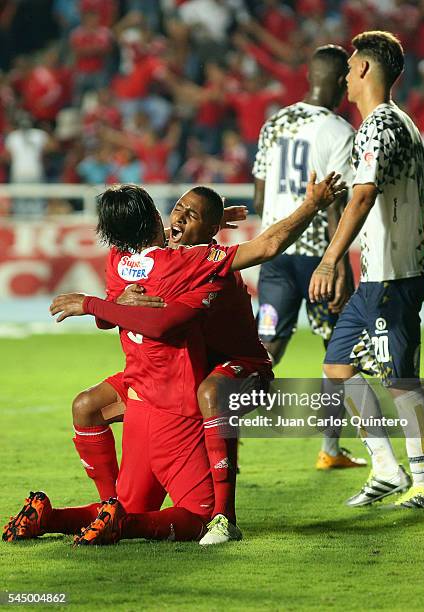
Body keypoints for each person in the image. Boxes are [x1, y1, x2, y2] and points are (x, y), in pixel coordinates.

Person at [4, 173, 346, 546]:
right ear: (155, 218)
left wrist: (103, 305)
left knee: (208, 393)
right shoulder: (191, 261)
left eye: (190, 214)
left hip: (235, 366)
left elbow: (111, 318)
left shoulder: (124, 257)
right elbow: (262, 248)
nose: (179, 217)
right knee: (105, 428)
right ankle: (97, 512)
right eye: (178, 209)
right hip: (171, 385)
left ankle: (223, 517)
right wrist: (312, 203)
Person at [309, 31, 424, 509]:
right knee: (337, 366)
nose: (345, 76)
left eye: (349, 67)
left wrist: (330, 258)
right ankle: (386, 469)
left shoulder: (380, 125)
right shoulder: (392, 124)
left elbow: (364, 196)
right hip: (376, 279)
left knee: (400, 380)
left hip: (395, 277)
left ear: (365, 69)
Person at [253, 44, 371, 470]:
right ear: (343, 81)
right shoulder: (338, 130)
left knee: (265, 343)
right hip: (320, 259)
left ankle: (218, 428)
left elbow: (260, 194)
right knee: (339, 348)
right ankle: (331, 448)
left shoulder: (274, 123)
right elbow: (339, 205)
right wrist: (340, 265)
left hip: (275, 255)